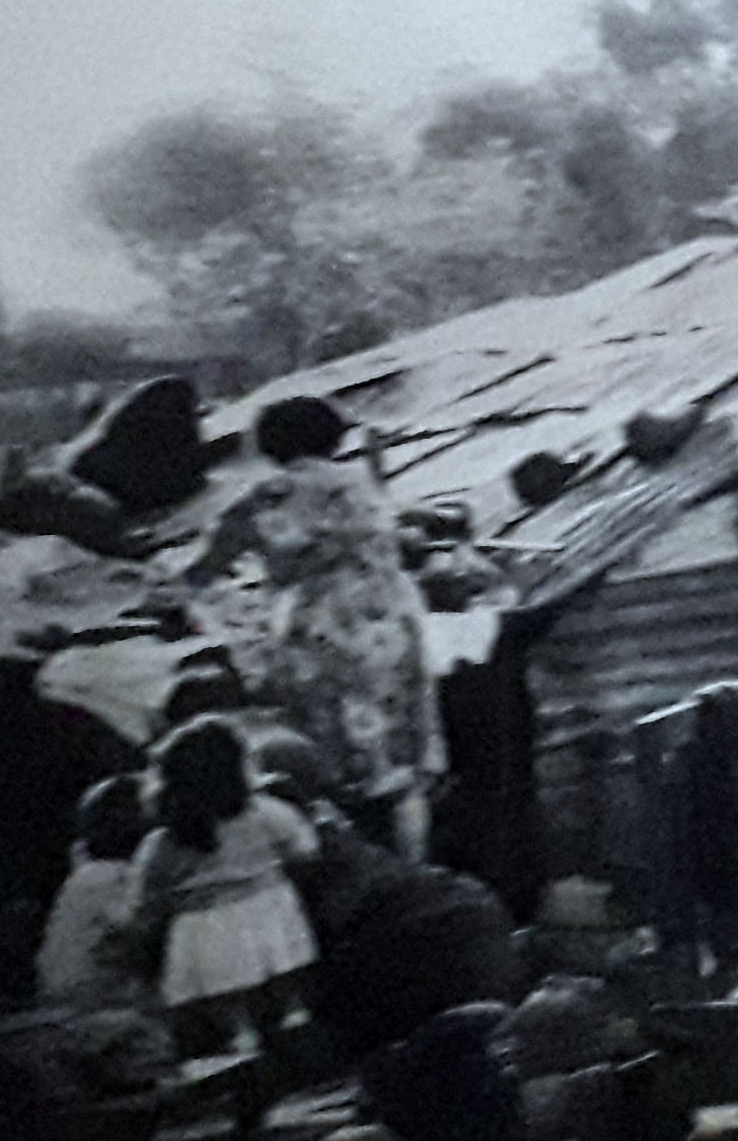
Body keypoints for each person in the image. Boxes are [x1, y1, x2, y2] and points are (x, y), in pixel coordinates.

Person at [180, 394, 445, 856]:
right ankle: (409, 872)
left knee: (331, 766)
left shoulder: (269, 496)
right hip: (392, 623)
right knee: (397, 767)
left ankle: (345, 873)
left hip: (326, 633)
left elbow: (204, 567)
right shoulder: (362, 483)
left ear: (268, 445)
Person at [128, 716, 322, 1060]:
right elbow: (305, 847)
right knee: (284, 978)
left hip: (202, 926)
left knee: (228, 998)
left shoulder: (165, 841)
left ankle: (242, 1040)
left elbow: (146, 894)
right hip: (268, 908)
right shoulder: (264, 813)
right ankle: (296, 1020)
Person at [34, 773, 156, 1011]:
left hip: (81, 1000)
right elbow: (139, 928)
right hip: (91, 1006)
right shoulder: (108, 877)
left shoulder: (88, 875)